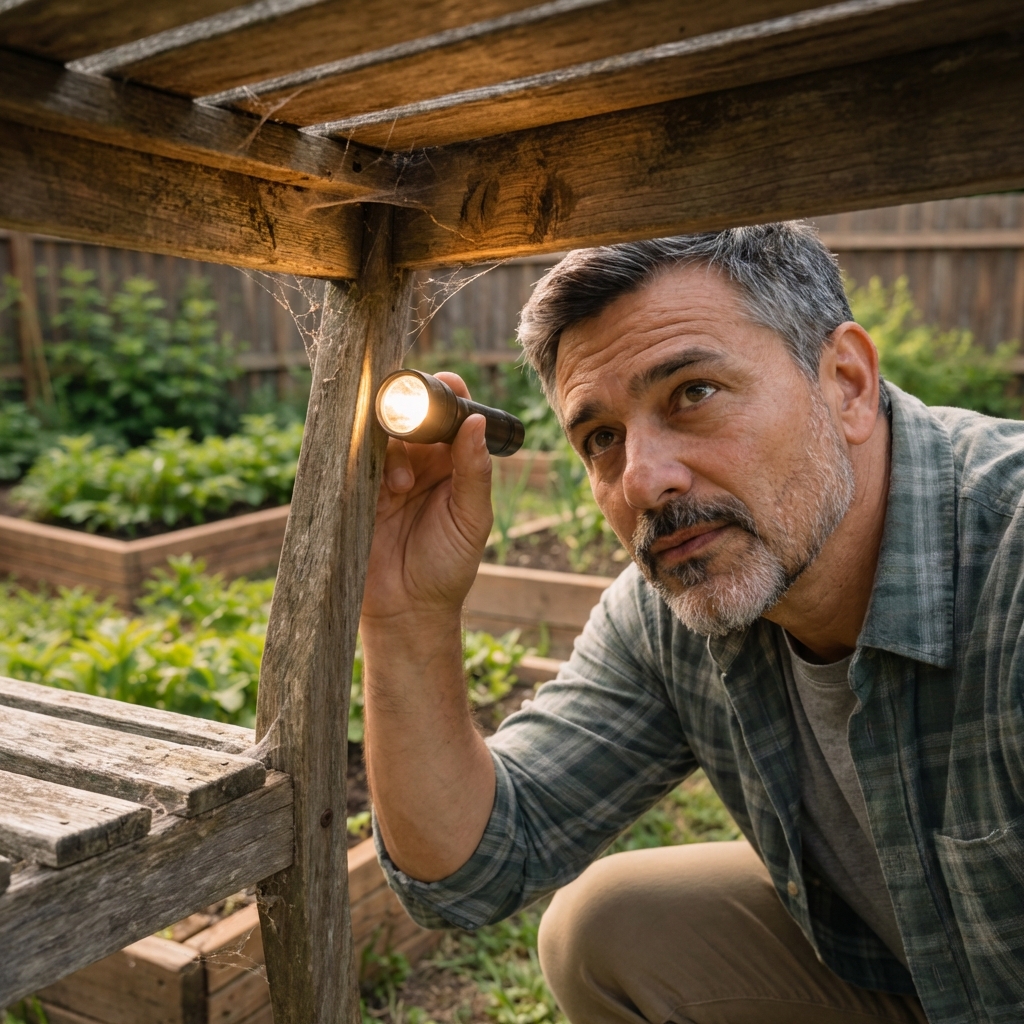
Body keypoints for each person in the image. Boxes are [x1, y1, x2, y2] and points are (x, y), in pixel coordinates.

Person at [358, 224, 1024, 1024]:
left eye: (693, 393)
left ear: (845, 382)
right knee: (606, 925)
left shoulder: (1008, 561)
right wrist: (404, 617)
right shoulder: (672, 609)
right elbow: (472, 868)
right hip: (913, 971)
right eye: (602, 437)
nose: (643, 479)